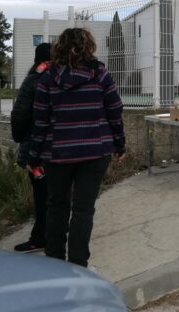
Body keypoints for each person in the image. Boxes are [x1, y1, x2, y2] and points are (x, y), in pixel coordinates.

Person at [29, 28, 126, 268]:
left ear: (58, 47)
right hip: (95, 151)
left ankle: (54, 264)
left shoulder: (47, 78)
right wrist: (119, 143)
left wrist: (34, 155)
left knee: (56, 206)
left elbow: (40, 120)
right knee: (83, 209)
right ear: (89, 46)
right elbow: (115, 111)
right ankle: (78, 264)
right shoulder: (100, 75)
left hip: (57, 153)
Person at [10, 42, 51, 253]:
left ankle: (40, 237)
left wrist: (20, 141)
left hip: (36, 150)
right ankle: (54, 234)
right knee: (58, 195)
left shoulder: (34, 80)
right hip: (61, 150)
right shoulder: (62, 78)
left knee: (42, 195)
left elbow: (19, 116)